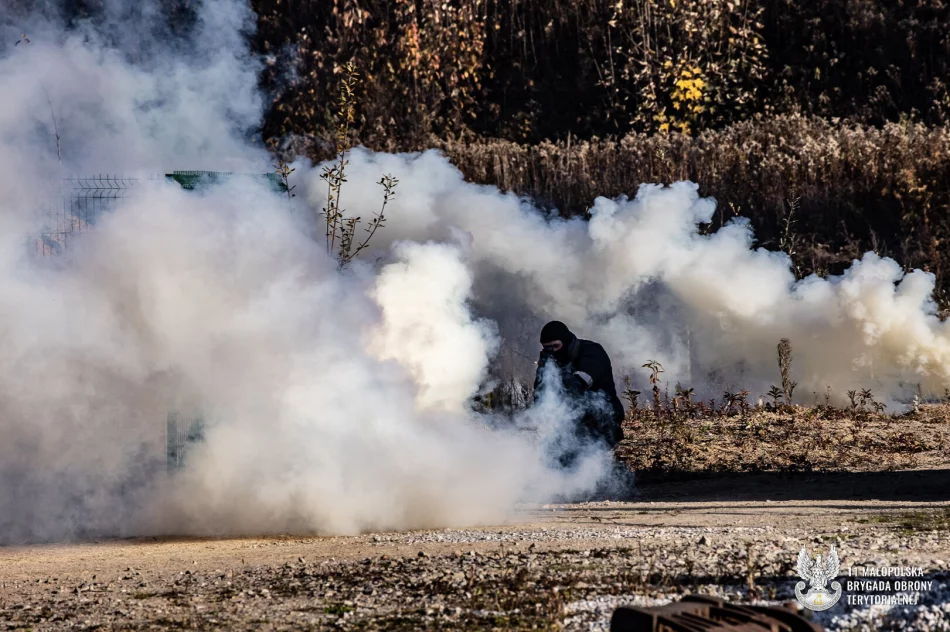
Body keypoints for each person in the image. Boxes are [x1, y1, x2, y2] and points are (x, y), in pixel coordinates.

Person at [533, 320, 627, 474]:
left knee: (582, 461)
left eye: (555, 346)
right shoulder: (551, 360)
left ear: (566, 341)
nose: (553, 352)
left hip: (603, 418)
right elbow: (540, 399)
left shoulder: (591, 352)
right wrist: (544, 368)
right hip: (572, 421)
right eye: (547, 348)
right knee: (552, 462)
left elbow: (576, 386)